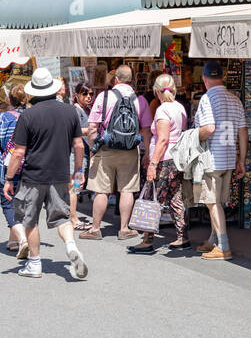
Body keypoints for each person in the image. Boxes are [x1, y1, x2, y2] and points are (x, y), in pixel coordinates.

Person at [2, 67, 88, 279]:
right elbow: (79, 145)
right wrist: (78, 170)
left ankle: (34, 263)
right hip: (60, 173)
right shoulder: (69, 112)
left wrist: (9, 178)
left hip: (33, 176)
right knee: (63, 217)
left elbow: (18, 152)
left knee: (30, 220)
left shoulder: (28, 115)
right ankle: (70, 246)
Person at [83, 65, 152, 240]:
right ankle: (124, 228)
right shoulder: (140, 100)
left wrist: (92, 148)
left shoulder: (104, 97)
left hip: (106, 149)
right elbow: (146, 130)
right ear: (132, 80)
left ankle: (95, 229)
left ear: (116, 79)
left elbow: (92, 127)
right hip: (130, 150)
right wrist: (147, 153)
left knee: (102, 190)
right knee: (127, 189)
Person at [192, 61, 247, 260]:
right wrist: (242, 159)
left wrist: (191, 136)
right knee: (217, 202)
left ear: (204, 79)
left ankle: (223, 246)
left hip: (211, 159)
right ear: (222, 77)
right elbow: (243, 132)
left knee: (212, 202)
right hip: (229, 158)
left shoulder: (207, 99)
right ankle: (214, 239)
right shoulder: (235, 100)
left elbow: (209, 129)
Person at [131, 73, 190, 254]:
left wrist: (152, 163)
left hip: (164, 159)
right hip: (176, 159)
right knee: (174, 197)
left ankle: (147, 240)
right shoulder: (180, 108)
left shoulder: (162, 110)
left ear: (157, 90)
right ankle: (182, 236)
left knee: (151, 198)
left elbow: (163, 139)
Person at [0, 82, 29, 250]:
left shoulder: (1, 118)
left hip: (5, 165)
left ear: (10, 99)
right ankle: (13, 240)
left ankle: (22, 239)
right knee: (22, 203)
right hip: (28, 165)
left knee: (7, 203)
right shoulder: (31, 117)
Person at [69, 82, 94, 230]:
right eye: (85, 94)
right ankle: (73, 217)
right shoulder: (76, 110)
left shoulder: (87, 109)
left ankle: (72, 215)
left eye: (91, 94)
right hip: (76, 154)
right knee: (75, 186)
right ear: (77, 95)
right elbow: (76, 130)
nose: (89, 97)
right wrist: (93, 129)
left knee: (77, 186)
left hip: (83, 153)